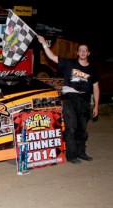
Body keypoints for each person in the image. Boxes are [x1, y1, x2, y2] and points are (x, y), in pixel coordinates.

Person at [37, 35, 100, 164]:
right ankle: (71, 156)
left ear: (88, 53)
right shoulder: (69, 63)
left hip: (84, 100)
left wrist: (96, 106)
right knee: (71, 127)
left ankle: (81, 153)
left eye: (85, 50)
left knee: (82, 129)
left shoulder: (92, 70)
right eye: (80, 50)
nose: (82, 52)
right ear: (77, 53)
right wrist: (44, 44)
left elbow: (96, 88)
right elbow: (52, 57)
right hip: (69, 99)